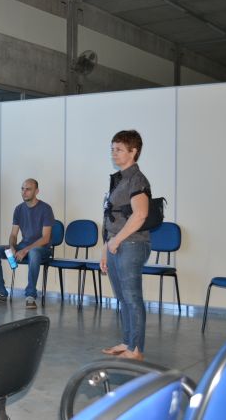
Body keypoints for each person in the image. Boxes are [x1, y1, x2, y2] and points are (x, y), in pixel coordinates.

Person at [100, 130, 152, 361]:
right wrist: (106, 249)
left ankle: (136, 350)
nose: (114, 153)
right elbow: (111, 218)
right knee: (122, 297)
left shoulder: (137, 179)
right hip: (116, 245)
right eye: (112, 149)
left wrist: (116, 241)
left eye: (119, 149)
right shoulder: (119, 179)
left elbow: (140, 215)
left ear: (133, 152)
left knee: (132, 298)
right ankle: (128, 342)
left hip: (131, 244)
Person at [0, 179, 55, 309]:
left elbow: (45, 238)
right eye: (22, 189)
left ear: (36, 191)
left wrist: (25, 250)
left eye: (28, 189)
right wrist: (12, 247)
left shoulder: (46, 209)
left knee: (34, 252)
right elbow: (14, 234)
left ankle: (30, 295)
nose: (24, 192)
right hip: (23, 247)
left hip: (42, 249)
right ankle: (0, 293)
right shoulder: (19, 209)